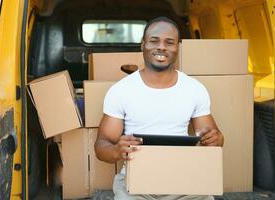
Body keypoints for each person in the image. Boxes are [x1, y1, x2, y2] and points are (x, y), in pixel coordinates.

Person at [94, 16, 224, 200]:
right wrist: (116, 150)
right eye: (154, 41)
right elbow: (101, 145)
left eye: (169, 42)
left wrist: (215, 139)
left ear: (177, 47)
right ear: (143, 45)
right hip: (136, 183)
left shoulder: (195, 89)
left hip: (185, 181)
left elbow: (217, 139)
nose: (161, 47)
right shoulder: (121, 90)